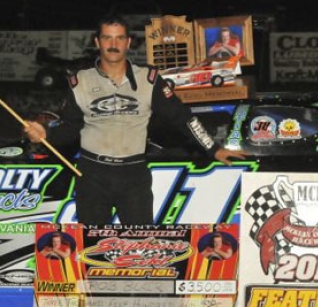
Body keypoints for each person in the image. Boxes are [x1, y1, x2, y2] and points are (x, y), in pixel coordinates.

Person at [24, 14, 247, 225]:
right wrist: (46, 133)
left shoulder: (148, 79)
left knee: (140, 248)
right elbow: (70, 129)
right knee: (90, 248)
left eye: (119, 38)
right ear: (97, 42)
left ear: (128, 42)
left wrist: (213, 149)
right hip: (92, 175)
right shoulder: (79, 81)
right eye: (107, 37)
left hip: (133, 175)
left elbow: (182, 117)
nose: (113, 44)